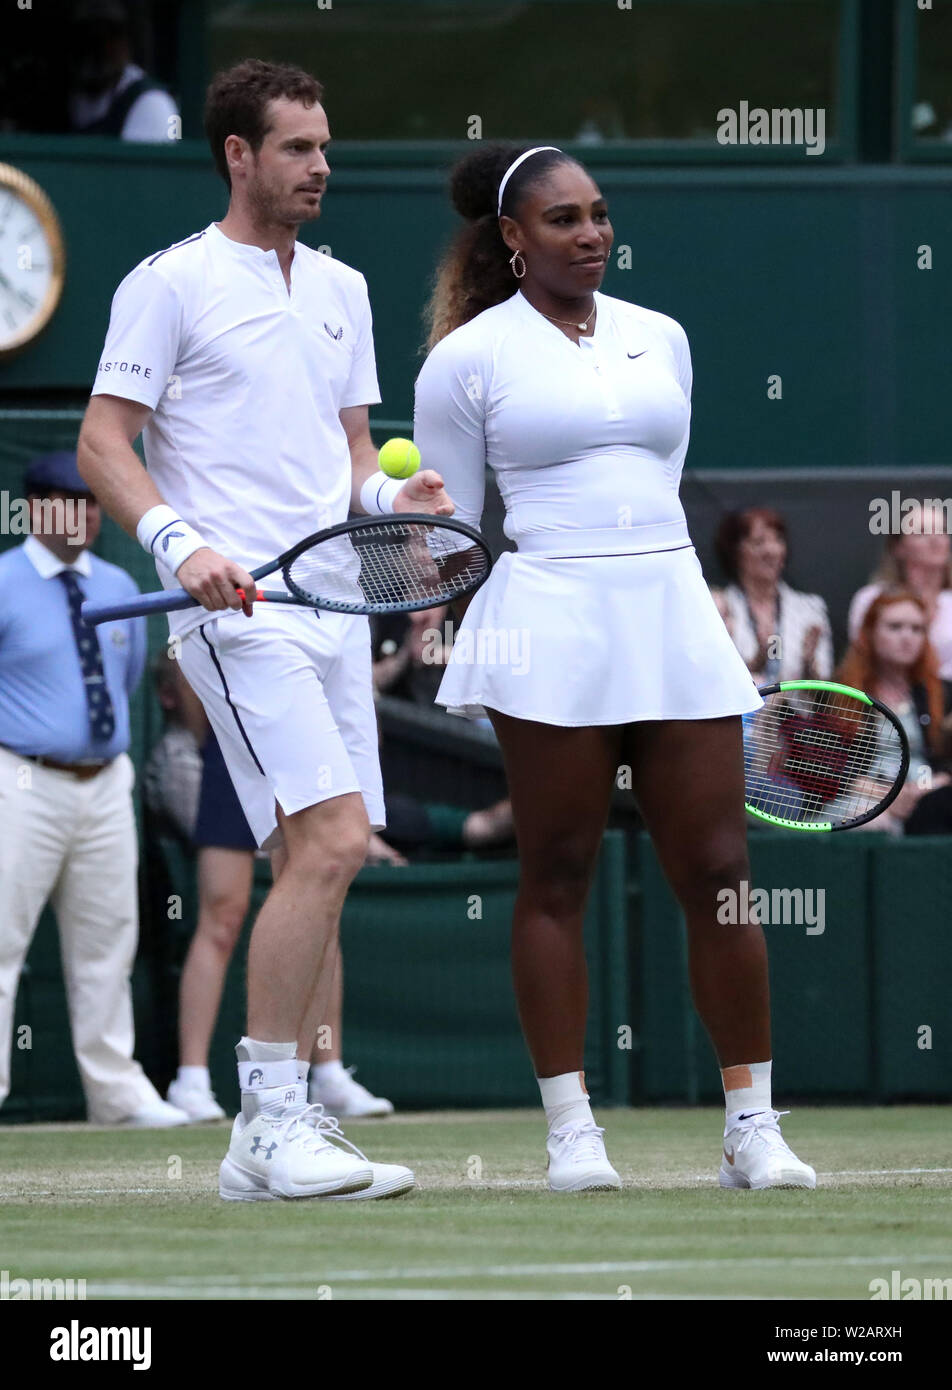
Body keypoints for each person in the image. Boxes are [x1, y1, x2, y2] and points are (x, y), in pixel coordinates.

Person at [77, 59, 453, 1201]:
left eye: (325, 146)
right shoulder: (171, 282)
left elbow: (350, 456)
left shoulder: (341, 290)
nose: (320, 166)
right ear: (238, 154)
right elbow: (104, 441)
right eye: (296, 148)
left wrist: (392, 504)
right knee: (332, 841)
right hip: (233, 622)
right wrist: (181, 545)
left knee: (319, 860)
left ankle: (278, 1131)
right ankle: (267, 1118)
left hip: (331, 605)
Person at [414, 143, 816, 1193]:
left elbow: (657, 484)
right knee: (555, 872)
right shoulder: (464, 360)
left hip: (670, 611)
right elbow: (449, 530)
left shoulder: (662, 337)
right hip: (548, 619)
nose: (590, 233)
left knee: (721, 875)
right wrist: (421, 555)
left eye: (598, 215)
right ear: (511, 238)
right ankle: (571, 1131)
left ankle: (751, 1126)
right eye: (562, 220)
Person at [0, 451, 188, 1127]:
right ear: (34, 507)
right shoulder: (4, 581)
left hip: (107, 782)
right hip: (19, 779)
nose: (81, 515)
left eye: (90, 502)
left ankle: (117, 1093)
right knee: (1, 940)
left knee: (110, 937)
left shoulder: (117, 585)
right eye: (66, 501)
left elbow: (128, 676)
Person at [836, 590, 952, 835]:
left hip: (925, 793)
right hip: (861, 798)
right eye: (895, 627)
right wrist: (892, 796)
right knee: (874, 824)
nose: (907, 637)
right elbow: (829, 767)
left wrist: (924, 788)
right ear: (870, 633)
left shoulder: (940, 692)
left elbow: (945, 764)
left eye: (917, 629)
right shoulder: (840, 691)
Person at [711, 507, 833, 685]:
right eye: (758, 542)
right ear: (735, 552)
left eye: (778, 540)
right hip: (747, 712)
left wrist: (809, 665)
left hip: (796, 711)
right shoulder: (718, 607)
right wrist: (758, 661)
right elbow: (716, 679)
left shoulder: (810, 608)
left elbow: (825, 692)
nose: (772, 550)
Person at [848, 505, 952, 679]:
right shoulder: (872, 598)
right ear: (898, 546)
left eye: (942, 531)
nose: (935, 539)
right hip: (886, 701)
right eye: (922, 532)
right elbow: (862, 661)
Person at [67, 0, 179, 142]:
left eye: (110, 34)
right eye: (88, 34)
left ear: (126, 41)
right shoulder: (71, 96)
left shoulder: (151, 101)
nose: (99, 47)